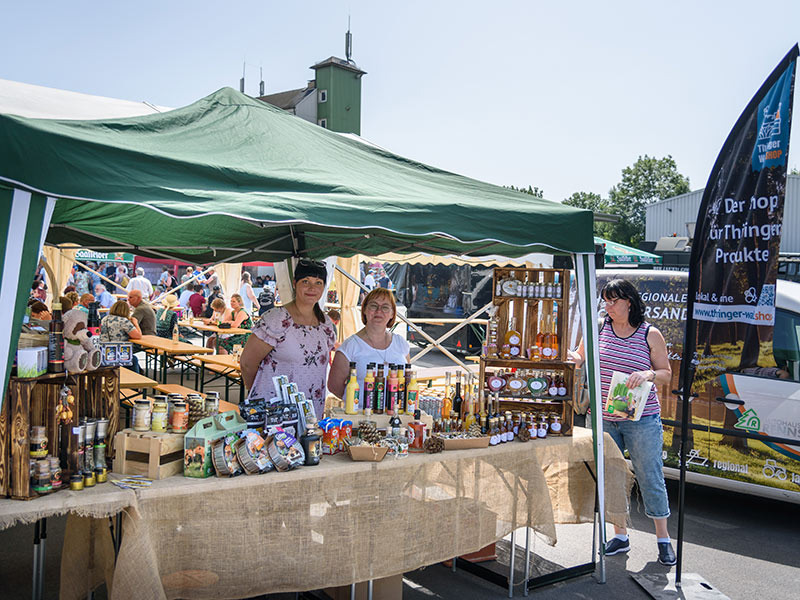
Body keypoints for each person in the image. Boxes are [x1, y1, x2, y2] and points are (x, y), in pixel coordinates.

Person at [568, 279, 674, 566]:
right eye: (606, 301)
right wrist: (570, 357)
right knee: (611, 478)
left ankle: (663, 540)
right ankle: (620, 535)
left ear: (629, 302)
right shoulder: (598, 328)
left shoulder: (650, 334)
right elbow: (580, 357)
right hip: (604, 417)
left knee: (650, 476)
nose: (608, 306)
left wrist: (648, 374)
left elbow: (665, 373)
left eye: (613, 301)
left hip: (642, 419)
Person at [240, 259, 336, 417]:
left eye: (318, 283)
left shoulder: (325, 324)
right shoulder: (276, 319)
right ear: (294, 283)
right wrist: (259, 394)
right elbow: (247, 364)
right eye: (305, 281)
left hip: (310, 412)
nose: (312, 288)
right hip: (274, 413)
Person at [327, 288, 410, 405]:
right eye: (373, 306)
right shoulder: (350, 346)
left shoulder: (401, 343)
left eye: (385, 307)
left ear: (392, 313)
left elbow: (407, 380)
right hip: (360, 415)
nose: (379, 311)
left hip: (396, 414)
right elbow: (334, 386)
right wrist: (357, 402)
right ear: (365, 310)